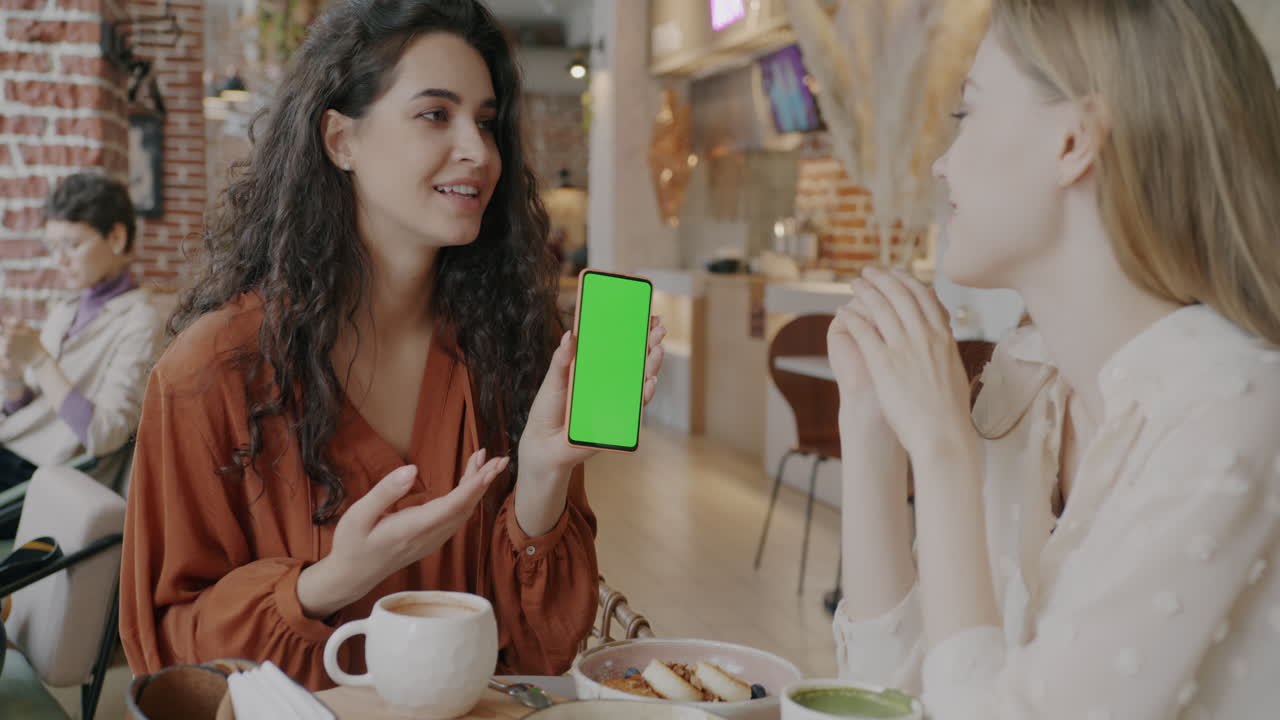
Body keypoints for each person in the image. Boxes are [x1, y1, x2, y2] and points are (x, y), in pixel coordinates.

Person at [119, 0, 666, 690]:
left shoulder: (516, 347)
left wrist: (543, 475)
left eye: (488, 122)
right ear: (340, 140)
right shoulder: (211, 372)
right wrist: (327, 583)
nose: (478, 150)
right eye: (435, 114)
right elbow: (171, 658)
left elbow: (540, 651)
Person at [828, 1, 1280, 718]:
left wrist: (943, 450)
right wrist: (872, 425)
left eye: (966, 114)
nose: (943, 161)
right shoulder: (1030, 384)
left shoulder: (1235, 408)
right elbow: (892, 697)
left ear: (1075, 141)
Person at [0, 173, 163, 531]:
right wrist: (13, 374)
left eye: (72, 246)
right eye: (54, 247)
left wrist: (41, 360)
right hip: (14, 456)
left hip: (48, 480)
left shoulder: (141, 321)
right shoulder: (65, 308)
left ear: (116, 238)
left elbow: (103, 434)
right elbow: (22, 410)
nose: (60, 260)